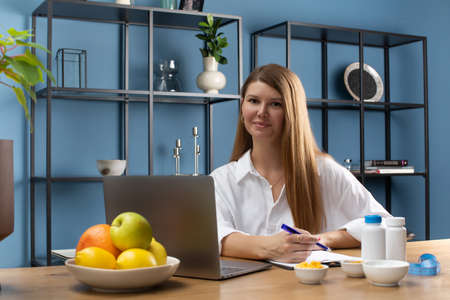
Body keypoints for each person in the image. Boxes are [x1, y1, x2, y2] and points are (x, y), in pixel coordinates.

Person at [210, 64, 390, 263]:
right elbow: (213, 238)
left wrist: (320, 239)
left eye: (275, 104)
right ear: (242, 106)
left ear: (292, 111)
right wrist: (272, 248)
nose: (261, 112)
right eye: (254, 101)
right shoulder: (221, 180)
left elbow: (385, 225)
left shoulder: (325, 172)